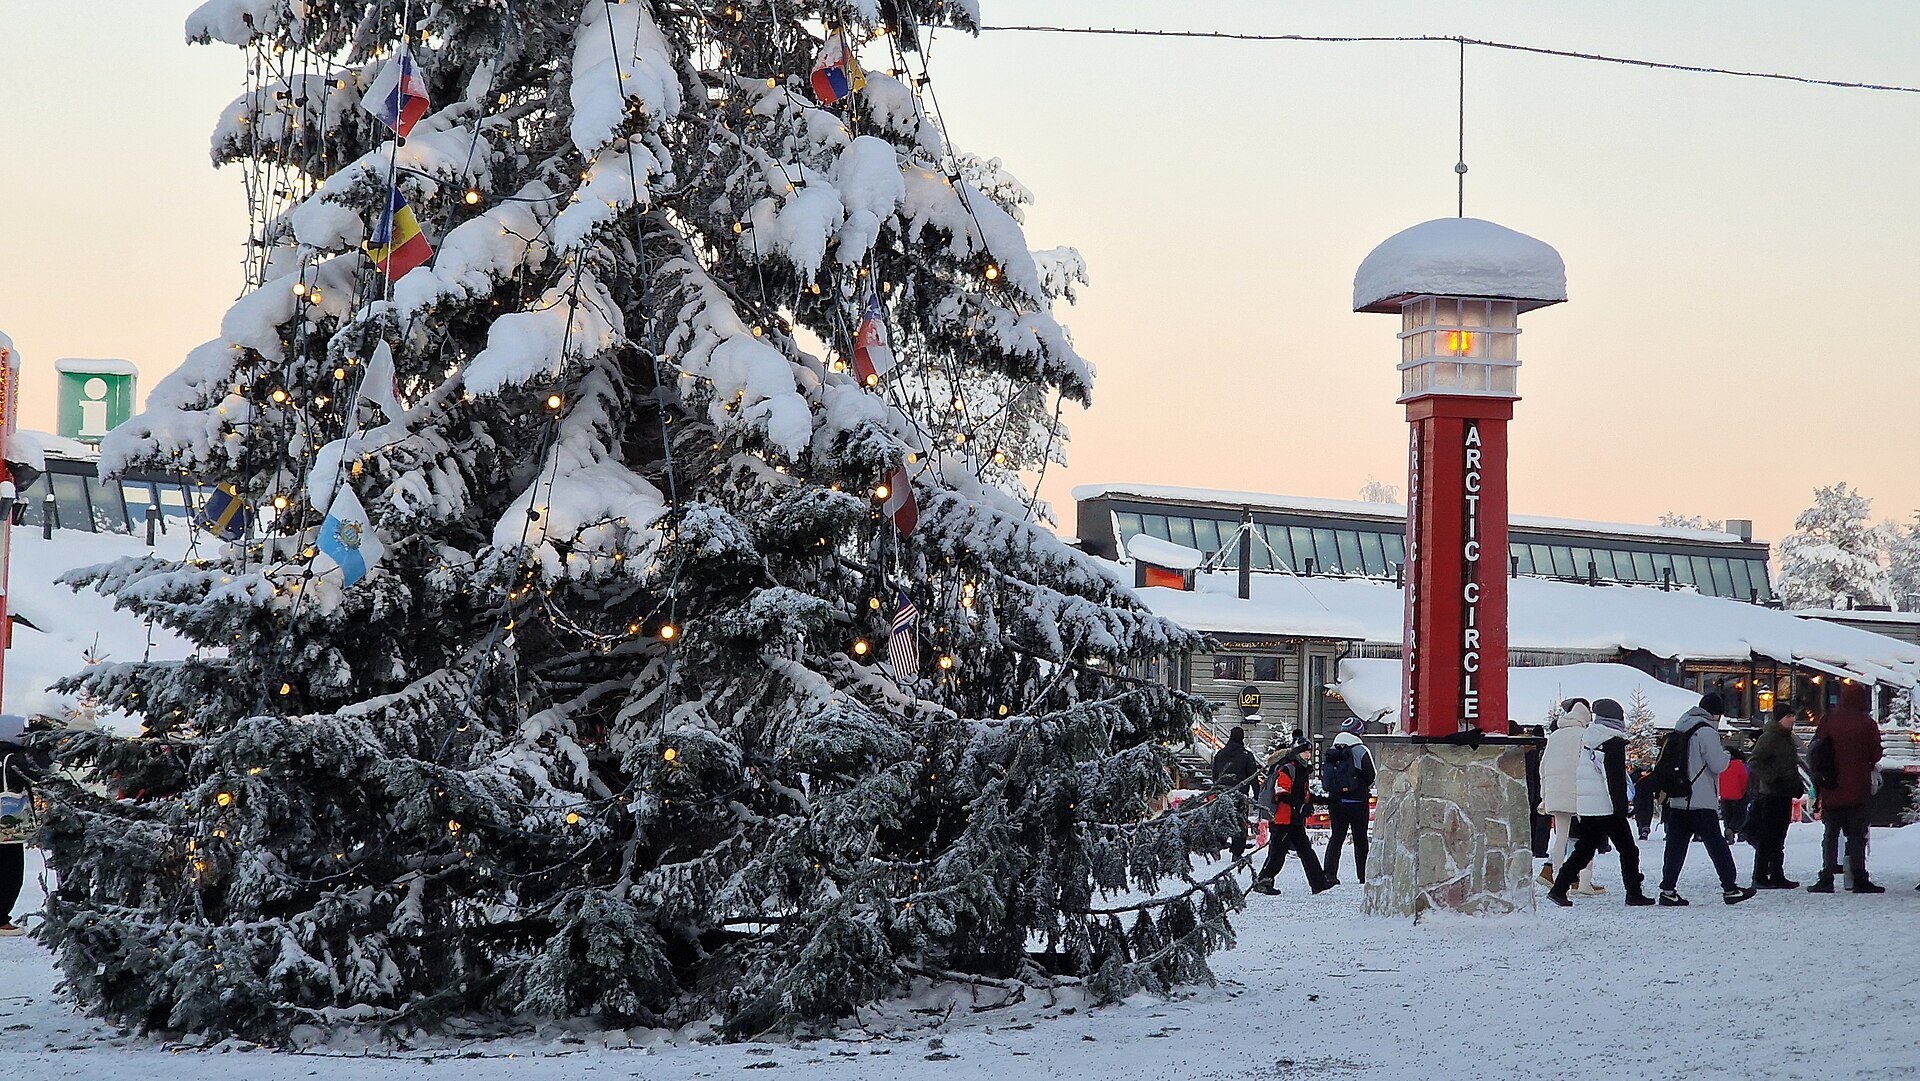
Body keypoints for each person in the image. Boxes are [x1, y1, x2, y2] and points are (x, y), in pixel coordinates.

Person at [1548, 699, 1654, 907]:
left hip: (1589, 806)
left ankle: (1559, 889)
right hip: (1606, 806)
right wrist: (1621, 807)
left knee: (1584, 850)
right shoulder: (1612, 742)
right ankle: (1633, 893)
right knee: (1628, 850)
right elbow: (1613, 779)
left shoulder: (1590, 738)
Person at [1657, 693, 1756, 906]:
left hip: (1678, 797)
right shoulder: (1706, 731)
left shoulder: (1681, 726)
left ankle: (1667, 889)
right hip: (1700, 799)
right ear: (1716, 714)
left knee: (1675, 847)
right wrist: (1728, 756)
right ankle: (1730, 888)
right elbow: (1717, 765)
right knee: (1716, 845)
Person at [1806, 683, 1885, 894]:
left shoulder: (1828, 719)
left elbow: (1818, 748)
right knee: (1857, 835)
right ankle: (1858, 876)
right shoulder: (1867, 723)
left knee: (1831, 833)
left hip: (1832, 785)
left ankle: (1826, 875)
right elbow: (1875, 753)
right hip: (1858, 787)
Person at [1252, 733, 1333, 895]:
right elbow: (1281, 793)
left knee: (1305, 850)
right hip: (1283, 820)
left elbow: (1303, 795)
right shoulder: (1288, 769)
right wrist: (1300, 807)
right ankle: (1263, 881)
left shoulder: (1301, 770)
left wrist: (1322, 800)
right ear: (1297, 752)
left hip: (1294, 820)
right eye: (1305, 752)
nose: (1308, 755)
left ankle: (1318, 883)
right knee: (1277, 853)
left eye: (1309, 752)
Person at [1539, 699, 1600, 894]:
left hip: (1557, 793)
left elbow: (1543, 766)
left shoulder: (1555, 736)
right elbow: (1593, 764)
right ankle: (1584, 882)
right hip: (1580, 792)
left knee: (1560, 838)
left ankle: (1557, 878)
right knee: (1588, 837)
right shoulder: (1585, 735)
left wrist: (1544, 794)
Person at [1745, 705, 1806, 889]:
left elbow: (1790, 765)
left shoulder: (1786, 739)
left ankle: (1777, 874)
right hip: (1771, 794)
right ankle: (1761, 876)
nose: (1792, 719)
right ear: (1779, 718)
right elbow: (1754, 761)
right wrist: (1772, 778)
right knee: (1768, 837)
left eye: (1793, 716)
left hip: (1784, 793)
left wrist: (1796, 784)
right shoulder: (1770, 737)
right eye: (1788, 716)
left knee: (1779, 837)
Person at [1320, 717, 1376, 885]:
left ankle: (1329, 874)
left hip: (1336, 802)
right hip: (1358, 802)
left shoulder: (1332, 749)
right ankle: (1363, 874)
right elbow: (1371, 775)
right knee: (1360, 839)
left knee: (1336, 837)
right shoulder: (1360, 750)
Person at [0, 714, 31, 936]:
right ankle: (1, 919)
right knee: (10, 871)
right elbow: (37, 772)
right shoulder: (13, 759)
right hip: (6, 827)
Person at [1210, 726, 1260, 860]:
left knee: (1222, 820)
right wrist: (1257, 795)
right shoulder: (1246, 755)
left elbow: (1215, 776)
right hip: (1240, 795)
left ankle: (1217, 844)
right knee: (1240, 823)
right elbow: (1253, 777)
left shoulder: (1219, 755)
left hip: (1223, 794)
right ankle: (1237, 852)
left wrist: (1217, 790)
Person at [1719, 748, 1750, 844]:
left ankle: (1728, 829)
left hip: (1724, 794)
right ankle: (1732, 829)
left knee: (1727, 814)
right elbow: (1744, 779)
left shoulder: (1721, 765)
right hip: (1738, 794)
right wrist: (1744, 791)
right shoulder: (1738, 764)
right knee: (1739, 814)